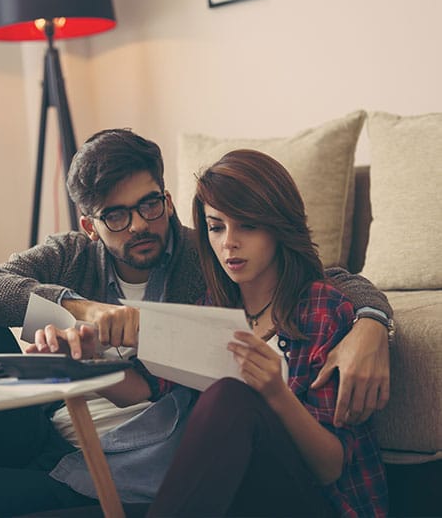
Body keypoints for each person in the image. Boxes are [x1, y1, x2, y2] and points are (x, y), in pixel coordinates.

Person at [0, 130, 391, 516]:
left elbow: (325, 278)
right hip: (50, 441)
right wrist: (78, 323)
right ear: (89, 226)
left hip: (152, 463)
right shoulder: (88, 259)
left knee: (227, 395)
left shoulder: (209, 263)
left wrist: (371, 324)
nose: (139, 225)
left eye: (150, 204)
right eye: (116, 216)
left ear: (168, 199)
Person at [147, 149, 388, 517]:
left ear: (278, 226)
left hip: (318, 503)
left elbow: (331, 468)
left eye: (247, 225)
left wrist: (275, 393)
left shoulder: (324, 309)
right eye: (216, 226)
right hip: (237, 501)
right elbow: (150, 385)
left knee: (230, 394)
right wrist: (88, 350)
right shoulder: (208, 311)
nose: (229, 242)